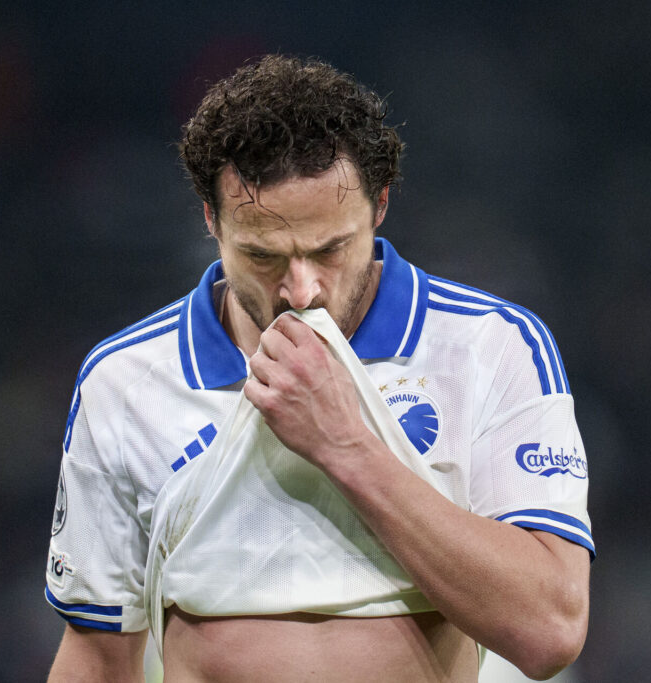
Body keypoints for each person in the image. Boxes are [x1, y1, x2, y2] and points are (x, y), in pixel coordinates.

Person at [44, 54, 593, 682]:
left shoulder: (488, 347)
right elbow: (96, 658)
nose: (301, 291)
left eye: (331, 248)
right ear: (210, 219)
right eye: (262, 256)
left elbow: (550, 630)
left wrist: (345, 444)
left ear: (380, 204)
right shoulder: (126, 381)